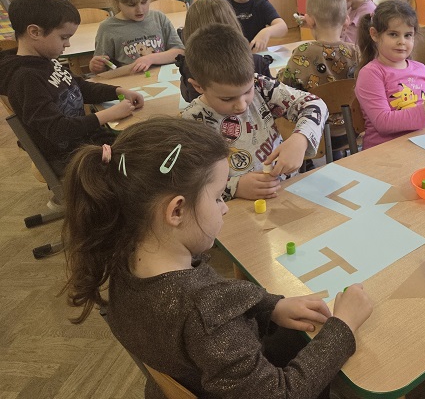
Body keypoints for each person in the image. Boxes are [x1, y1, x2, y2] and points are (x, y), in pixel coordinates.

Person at [62, 117, 372, 399]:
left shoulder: (124, 261)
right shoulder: (204, 314)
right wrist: (343, 326)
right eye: (217, 196)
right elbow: (283, 394)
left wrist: (270, 307)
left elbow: (217, 305)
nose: (224, 207)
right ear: (177, 210)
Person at [0, 0, 142, 175]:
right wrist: (109, 114)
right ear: (34, 32)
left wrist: (117, 91)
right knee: (141, 162)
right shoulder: (25, 78)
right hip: (71, 158)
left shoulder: (46, 60)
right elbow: (58, 129)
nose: (67, 44)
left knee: (144, 142)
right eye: (63, 37)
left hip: (86, 141)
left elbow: (80, 87)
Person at [181, 23, 327, 200]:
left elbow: (315, 104)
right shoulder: (191, 122)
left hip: (286, 191)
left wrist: (301, 138)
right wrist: (234, 187)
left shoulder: (260, 86)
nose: (241, 105)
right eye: (227, 99)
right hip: (236, 208)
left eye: (247, 91)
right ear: (198, 86)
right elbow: (190, 186)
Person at [355, 0, 425, 150]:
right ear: (374, 34)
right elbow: (383, 123)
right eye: (393, 34)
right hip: (384, 150)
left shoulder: (420, 68)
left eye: (408, 35)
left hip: (421, 143)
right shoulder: (371, 74)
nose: (402, 42)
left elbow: (421, 107)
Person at [176, 0, 274, 102]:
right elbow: (271, 93)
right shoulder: (257, 62)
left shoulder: (190, 69)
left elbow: (188, 96)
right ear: (234, 25)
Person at [89, 0, 184, 74]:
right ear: (116, 1)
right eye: (131, 5)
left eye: (144, 2)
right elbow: (103, 69)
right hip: (131, 81)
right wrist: (96, 67)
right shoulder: (108, 28)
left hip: (164, 78)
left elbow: (179, 52)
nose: (140, 10)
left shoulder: (158, 18)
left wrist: (150, 59)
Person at [278, 0, 357, 91]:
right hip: (349, 102)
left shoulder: (302, 53)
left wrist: (280, 73)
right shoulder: (356, 52)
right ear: (346, 21)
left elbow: (285, 86)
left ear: (309, 20)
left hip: (312, 103)